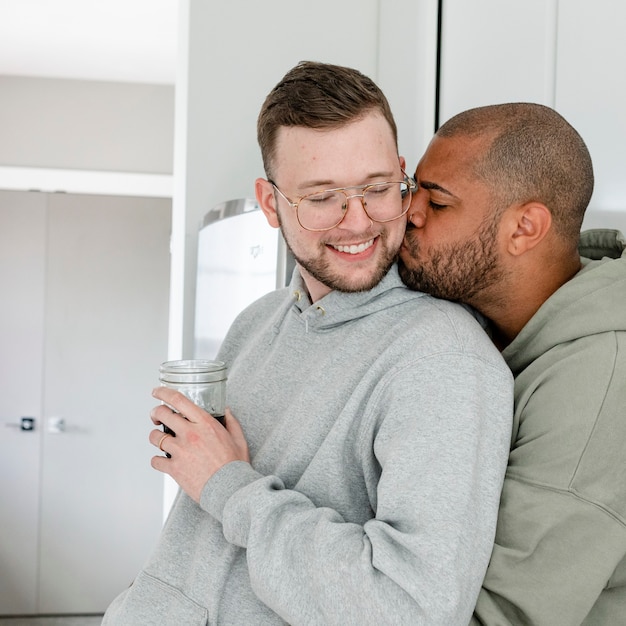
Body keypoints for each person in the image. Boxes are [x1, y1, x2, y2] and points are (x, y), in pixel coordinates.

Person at [102, 62, 513, 625]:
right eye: (322, 198)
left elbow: (409, 609)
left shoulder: (442, 360)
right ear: (271, 204)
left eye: (375, 188)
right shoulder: (257, 320)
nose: (358, 222)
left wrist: (227, 486)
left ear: (400, 176)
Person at [397, 102, 626, 625]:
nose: (409, 212)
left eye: (438, 202)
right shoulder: (480, 317)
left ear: (525, 228)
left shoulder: (596, 387)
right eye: (414, 190)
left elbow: (499, 619)